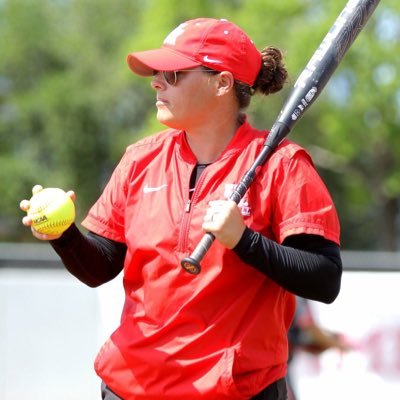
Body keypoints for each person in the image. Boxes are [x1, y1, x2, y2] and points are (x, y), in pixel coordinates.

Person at [20, 18, 342, 400]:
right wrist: (64, 236)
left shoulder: (283, 165)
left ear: (222, 83)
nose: (156, 82)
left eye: (173, 74)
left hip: (234, 391)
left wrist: (245, 241)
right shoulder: (140, 159)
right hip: (130, 387)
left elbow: (324, 279)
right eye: (157, 73)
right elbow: (100, 267)